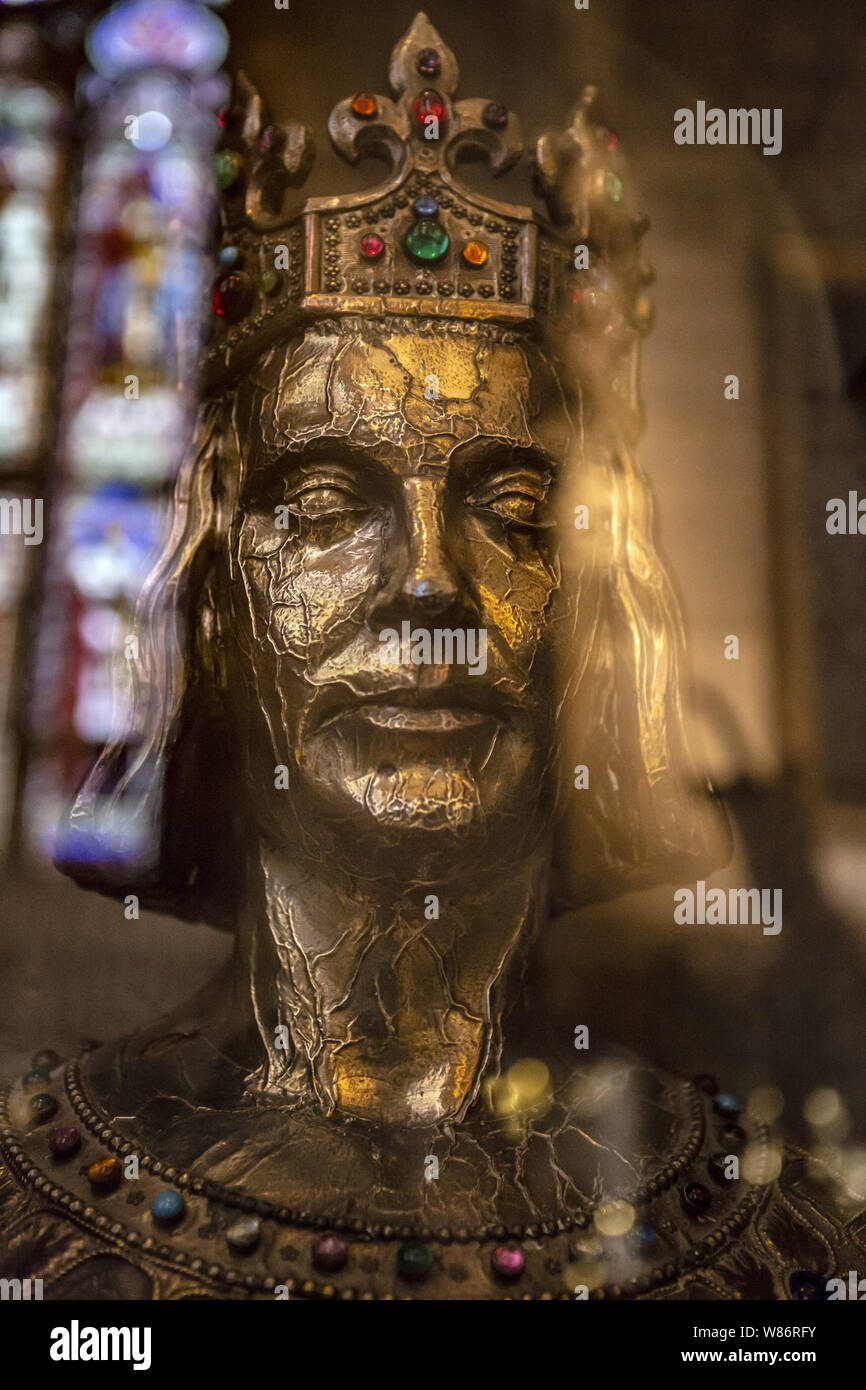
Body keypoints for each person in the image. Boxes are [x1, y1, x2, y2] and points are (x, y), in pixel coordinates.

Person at [1, 13, 861, 1301]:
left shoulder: (778, 1260)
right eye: (323, 505)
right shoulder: (36, 1229)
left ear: (593, 611)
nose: (426, 586)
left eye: (511, 513)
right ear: (217, 602)